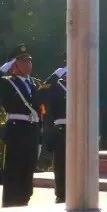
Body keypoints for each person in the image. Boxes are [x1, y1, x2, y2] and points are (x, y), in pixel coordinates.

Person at [0, 44, 42, 208]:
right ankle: (10, 206)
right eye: (22, 60)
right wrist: (6, 66)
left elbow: (40, 112)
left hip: (32, 132)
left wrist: (40, 138)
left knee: (28, 173)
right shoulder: (8, 83)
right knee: (13, 173)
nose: (27, 63)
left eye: (29, 60)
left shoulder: (35, 84)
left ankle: (24, 203)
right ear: (14, 64)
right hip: (16, 132)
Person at [37, 65, 67, 203]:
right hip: (62, 128)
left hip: (80, 128)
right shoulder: (56, 86)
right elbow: (41, 92)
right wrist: (57, 74)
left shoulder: (82, 83)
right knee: (61, 163)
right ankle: (61, 194)